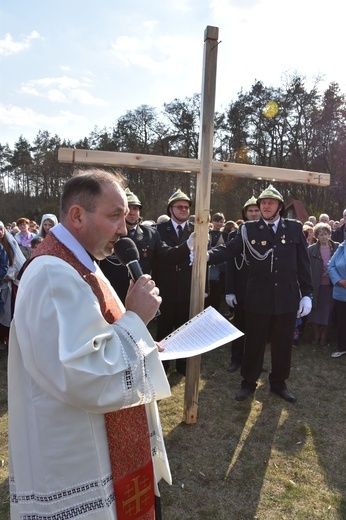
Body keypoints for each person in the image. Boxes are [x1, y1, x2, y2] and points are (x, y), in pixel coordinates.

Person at [8, 169, 172, 520]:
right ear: (77, 215)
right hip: (76, 452)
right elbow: (79, 372)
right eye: (115, 216)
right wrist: (134, 322)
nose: (125, 229)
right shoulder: (53, 273)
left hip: (105, 438)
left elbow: (98, 337)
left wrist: (141, 342)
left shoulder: (83, 263)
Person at [206, 185, 313, 403]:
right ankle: (248, 382)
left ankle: (278, 383)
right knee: (253, 343)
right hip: (258, 297)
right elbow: (230, 250)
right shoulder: (248, 230)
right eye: (262, 203)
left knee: (282, 345)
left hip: (286, 298)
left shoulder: (293, 228)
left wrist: (307, 294)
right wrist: (205, 255)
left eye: (270, 203)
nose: (265, 206)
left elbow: (304, 264)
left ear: (279, 207)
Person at [99, 188, 192, 304]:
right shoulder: (106, 232)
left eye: (136, 208)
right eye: (128, 208)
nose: (132, 212)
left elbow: (168, 255)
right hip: (112, 294)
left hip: (140, 296)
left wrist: (188, 245)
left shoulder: (150, 233)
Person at [154, 189, 194, 376]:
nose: (184, 210)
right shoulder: (159, 230)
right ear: (171, 209)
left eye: (187, 207)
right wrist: (187, 246)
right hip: (166, 287)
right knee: (164, 328)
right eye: (180, 207)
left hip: (187, 287)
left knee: (184, 328)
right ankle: (162, 364)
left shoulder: (195, 230)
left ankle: (182, 364)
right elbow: (165, 255)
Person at [225, 196, 260, 372]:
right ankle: (236, 358)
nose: (254, 214)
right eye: (250, 211)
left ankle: (254, 361)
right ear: (245, 214)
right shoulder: (235, 234)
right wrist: (229, 290)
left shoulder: (267, 232)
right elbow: (230, 264)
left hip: (260, 289)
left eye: (256, 210)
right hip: (240, 288)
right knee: (238, 325)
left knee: (257, 329)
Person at [308, 223, 339, 347]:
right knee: (315, 312)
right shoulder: (311, 249)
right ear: (316, 236)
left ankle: (324, 337)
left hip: (332, 286)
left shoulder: (337, 247)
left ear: (329, 234)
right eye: (320, 234)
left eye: (326, 234)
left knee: (328, 312)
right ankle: (316, 336)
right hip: (316, 286)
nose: (323, 237)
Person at [0, 221, 26, 346]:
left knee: (8, 310)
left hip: (8, 282)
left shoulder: (9, 244)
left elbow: (16, 263)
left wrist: (9, 275)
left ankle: (7, 337)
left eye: (1, 229)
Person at [327, 240, 346, 358]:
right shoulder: (342, 246)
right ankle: (342, 347)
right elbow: (331, 265)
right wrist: (339, 281)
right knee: (342, 322)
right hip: (341, 292)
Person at [206, 212, 228, 311]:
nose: (219, 224)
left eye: (221, 222)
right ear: (212, 221)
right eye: (216, 221)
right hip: (207, 266)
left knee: (217, 292)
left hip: (220, 267)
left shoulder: (225, 235)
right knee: (207, 291)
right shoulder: (207, 233)